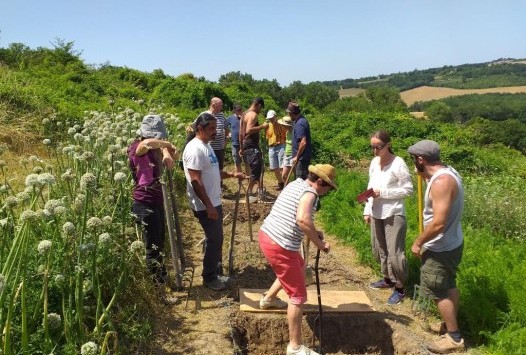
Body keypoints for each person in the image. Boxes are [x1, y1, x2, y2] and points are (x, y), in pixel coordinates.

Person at [258, 164, 336, 355]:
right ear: (320, 182)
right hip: (280, 245)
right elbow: (302, 219)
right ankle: (295, 347)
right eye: (327, 188)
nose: (326, 193)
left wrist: (313, 231)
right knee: (298, 296)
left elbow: (295, 216)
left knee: (298, 268)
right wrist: (320, 244)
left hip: (268, 235)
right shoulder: (311, 194)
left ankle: (268, 299)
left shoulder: (296, 184)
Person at [408, 140, 465, 354]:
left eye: (415, 160)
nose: (414, 165)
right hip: (452, 242)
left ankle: (454, 337)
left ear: (421, 160)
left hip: (440, 247)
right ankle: (449, 326)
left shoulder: (441, 182)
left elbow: (439, 223)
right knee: (449, 285)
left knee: (438, 290)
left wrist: (418, 241)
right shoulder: (449, 173)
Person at [182, 112, 245, 291]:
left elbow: (213, 172)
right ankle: (209, 277)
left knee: (217, 239)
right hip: (204, 204)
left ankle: (216, 272)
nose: (215, 132)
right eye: (211, 129)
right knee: (214, 239)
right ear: (199, 129)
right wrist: (208, 205)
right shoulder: (195, 149)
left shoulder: (206, 145)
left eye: (215, 129)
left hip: (213, 200)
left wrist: (233, 174)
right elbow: (195, 180)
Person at [363, 130, 413, 305]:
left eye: (379, 147)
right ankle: (387, 279)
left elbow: (408, 189)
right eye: (372, 147)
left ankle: (399, 288)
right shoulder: (374, 162)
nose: (375, 151)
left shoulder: (398, 163)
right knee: (379, 248)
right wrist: (367, 209)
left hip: (393, 213)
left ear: (388, 145)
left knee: (394, 253)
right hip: (377, 212)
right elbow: (371, 187)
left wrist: (383, 193)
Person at [128, 115, 178, 286]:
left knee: (159, 242)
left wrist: (168, 153)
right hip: (144, 203)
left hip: (156, 201)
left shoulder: (155, 150)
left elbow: (171, 158)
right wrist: (166, 145)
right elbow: (146, 144)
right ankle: (159, 287)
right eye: (157, 136)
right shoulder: (137, 146)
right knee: (153, 248)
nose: (159, 139)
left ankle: (160, 281)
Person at [239, 97, 269, 199]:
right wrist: (263, 127)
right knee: (256, 169)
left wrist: (241, 148)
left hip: (247, 145)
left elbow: (240, 133)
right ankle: (250, 193)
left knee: (254, 169)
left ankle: (251, 193)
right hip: (251, 146)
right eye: (261, 109)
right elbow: (249, 130)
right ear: (259, 105)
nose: (260, 111)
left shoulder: (244, 114)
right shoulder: (253, 114)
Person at [288, 101, 312, 180]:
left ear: (292, 113)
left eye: (289, 113)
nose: (288, 115)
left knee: (300, 181)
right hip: (301, 158)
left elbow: (303, 142)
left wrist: (297, 157)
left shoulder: (300, 123)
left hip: (301, 159)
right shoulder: (301, 120)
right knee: (300, 180)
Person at [265, 109, 287, 190]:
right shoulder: (268, 125)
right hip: (271, 147)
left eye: (272, 118)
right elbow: (267, 136)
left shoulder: (281, 123)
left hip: (280, 145)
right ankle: (281, 182)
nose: (271, 120)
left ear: (275, 116)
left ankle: (285, 183)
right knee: (274, 167)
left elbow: (286, 135)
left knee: (282, 167)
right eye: (269, 118)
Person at [207, 97, 229, 172]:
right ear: (213, 105)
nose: (222, 107)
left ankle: (219, 183)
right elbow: (194, 127)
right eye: (220, 105)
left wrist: (226, 139)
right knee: (210, 169)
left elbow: (226, 128)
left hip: (220, 149)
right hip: (209, 148)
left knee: (220, 169)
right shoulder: (205, 115)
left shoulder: (221, 115)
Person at [227, 104, 243, 173]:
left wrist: (242, 118)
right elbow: (225, 126)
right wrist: (228, 133)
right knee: (237, 162)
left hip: (244, 143)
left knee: (247, 162)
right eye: (238, 110)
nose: (239, 111)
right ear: (234, 111)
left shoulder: (244, 117)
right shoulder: (230, 118)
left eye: (240, 110)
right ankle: (239, 181)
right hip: (235, 143)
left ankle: (249, 180)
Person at [278, 115, 294, 185]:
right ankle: (288, 188)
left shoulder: (294, 132)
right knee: (284, 176)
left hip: (292, 155)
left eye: (283, 125)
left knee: (296, 175)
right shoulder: (287, 132)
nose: (282, 126)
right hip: (286, 154)